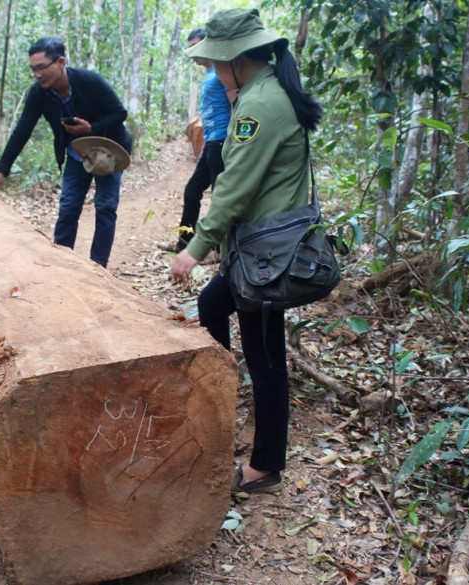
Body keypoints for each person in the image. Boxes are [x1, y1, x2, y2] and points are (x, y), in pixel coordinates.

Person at [170, 8, 323, 494]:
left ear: (237, 59)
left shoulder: (261, 105)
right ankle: (221, 400)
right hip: (259, 248)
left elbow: (234, 187)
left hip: (265, 257)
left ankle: (264, 465)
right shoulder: (266, 91)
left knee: (266, 354)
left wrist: (194, 248)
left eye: (216, 63)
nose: (213, 71)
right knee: (215, 305)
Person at [0, 37, 132, 268]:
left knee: (105, 207)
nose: (37, 74)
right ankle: (61, 264)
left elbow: (119, 113)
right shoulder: (39, 93)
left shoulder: (89, 81)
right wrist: (1, 171)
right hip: (77, 153)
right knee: (69, 207)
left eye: (42, 67)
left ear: (60, 62)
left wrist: (92, 128)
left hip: (109, 151)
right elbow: (22, 130)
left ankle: (99, 269)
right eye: (33, 69)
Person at [162, 27, 231, 253]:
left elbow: (235, 103)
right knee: (192, 192)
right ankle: (184, 244)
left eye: (196, 45)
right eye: (190, 47)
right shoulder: (211, 73)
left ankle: (221, 252)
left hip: (222, 142)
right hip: (211, 143)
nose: (192, 51)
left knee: (221, 197)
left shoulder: (222, 72)